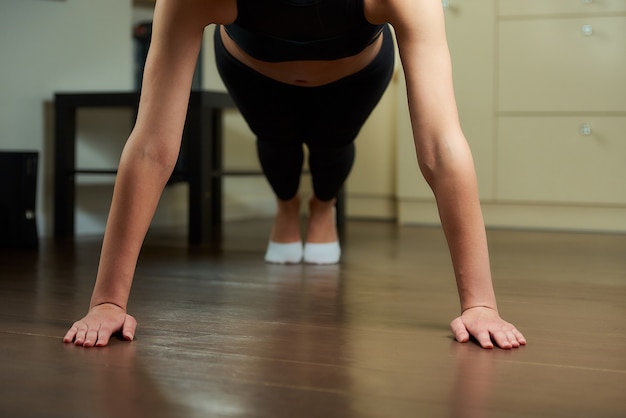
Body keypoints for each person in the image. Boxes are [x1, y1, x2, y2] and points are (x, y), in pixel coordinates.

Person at [63, 0, 527, 350]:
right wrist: (108, 301)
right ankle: (288, 206)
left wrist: (480, 304)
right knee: (277, 145)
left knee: (332, 147)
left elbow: (441, 148)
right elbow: (150, 148)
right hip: (252, 71)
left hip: (357, 73)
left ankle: (322, 205)